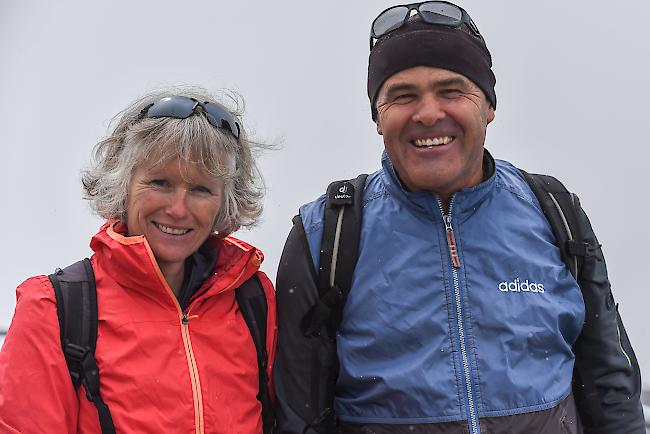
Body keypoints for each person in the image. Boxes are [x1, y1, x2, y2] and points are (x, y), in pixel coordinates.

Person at [273, 3, 644, 434]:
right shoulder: (327, 233)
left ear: (488, 106)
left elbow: (610, 387)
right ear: (378, 117)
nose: (428, 113)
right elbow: (298, 417)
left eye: (452, 91)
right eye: (403, 95)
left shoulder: (555, 212)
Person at [0, 87, 276, 433]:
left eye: (201, 189)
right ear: (122, 185)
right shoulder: (55, 308)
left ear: (225, 201)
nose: (178, 209)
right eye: (160, 182)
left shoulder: (252, 298)